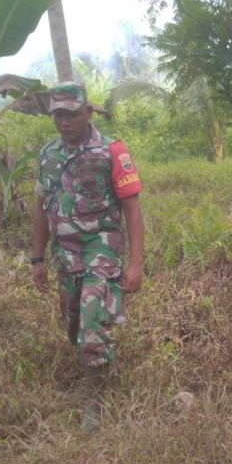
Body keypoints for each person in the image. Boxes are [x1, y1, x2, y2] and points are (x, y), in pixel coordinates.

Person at [32, 81, 144, 382]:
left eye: (72, 114)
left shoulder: (111, 151)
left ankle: (96, 396)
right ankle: (95, 372)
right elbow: (41, 207)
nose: (65, 122)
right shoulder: (48, 155)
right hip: (64, 256)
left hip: (102, 249)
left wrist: (135, 264)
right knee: (73, 324)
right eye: (58, 115)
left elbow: (132, 209)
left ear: (88, 111)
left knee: (92, 323)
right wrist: (37, 259)